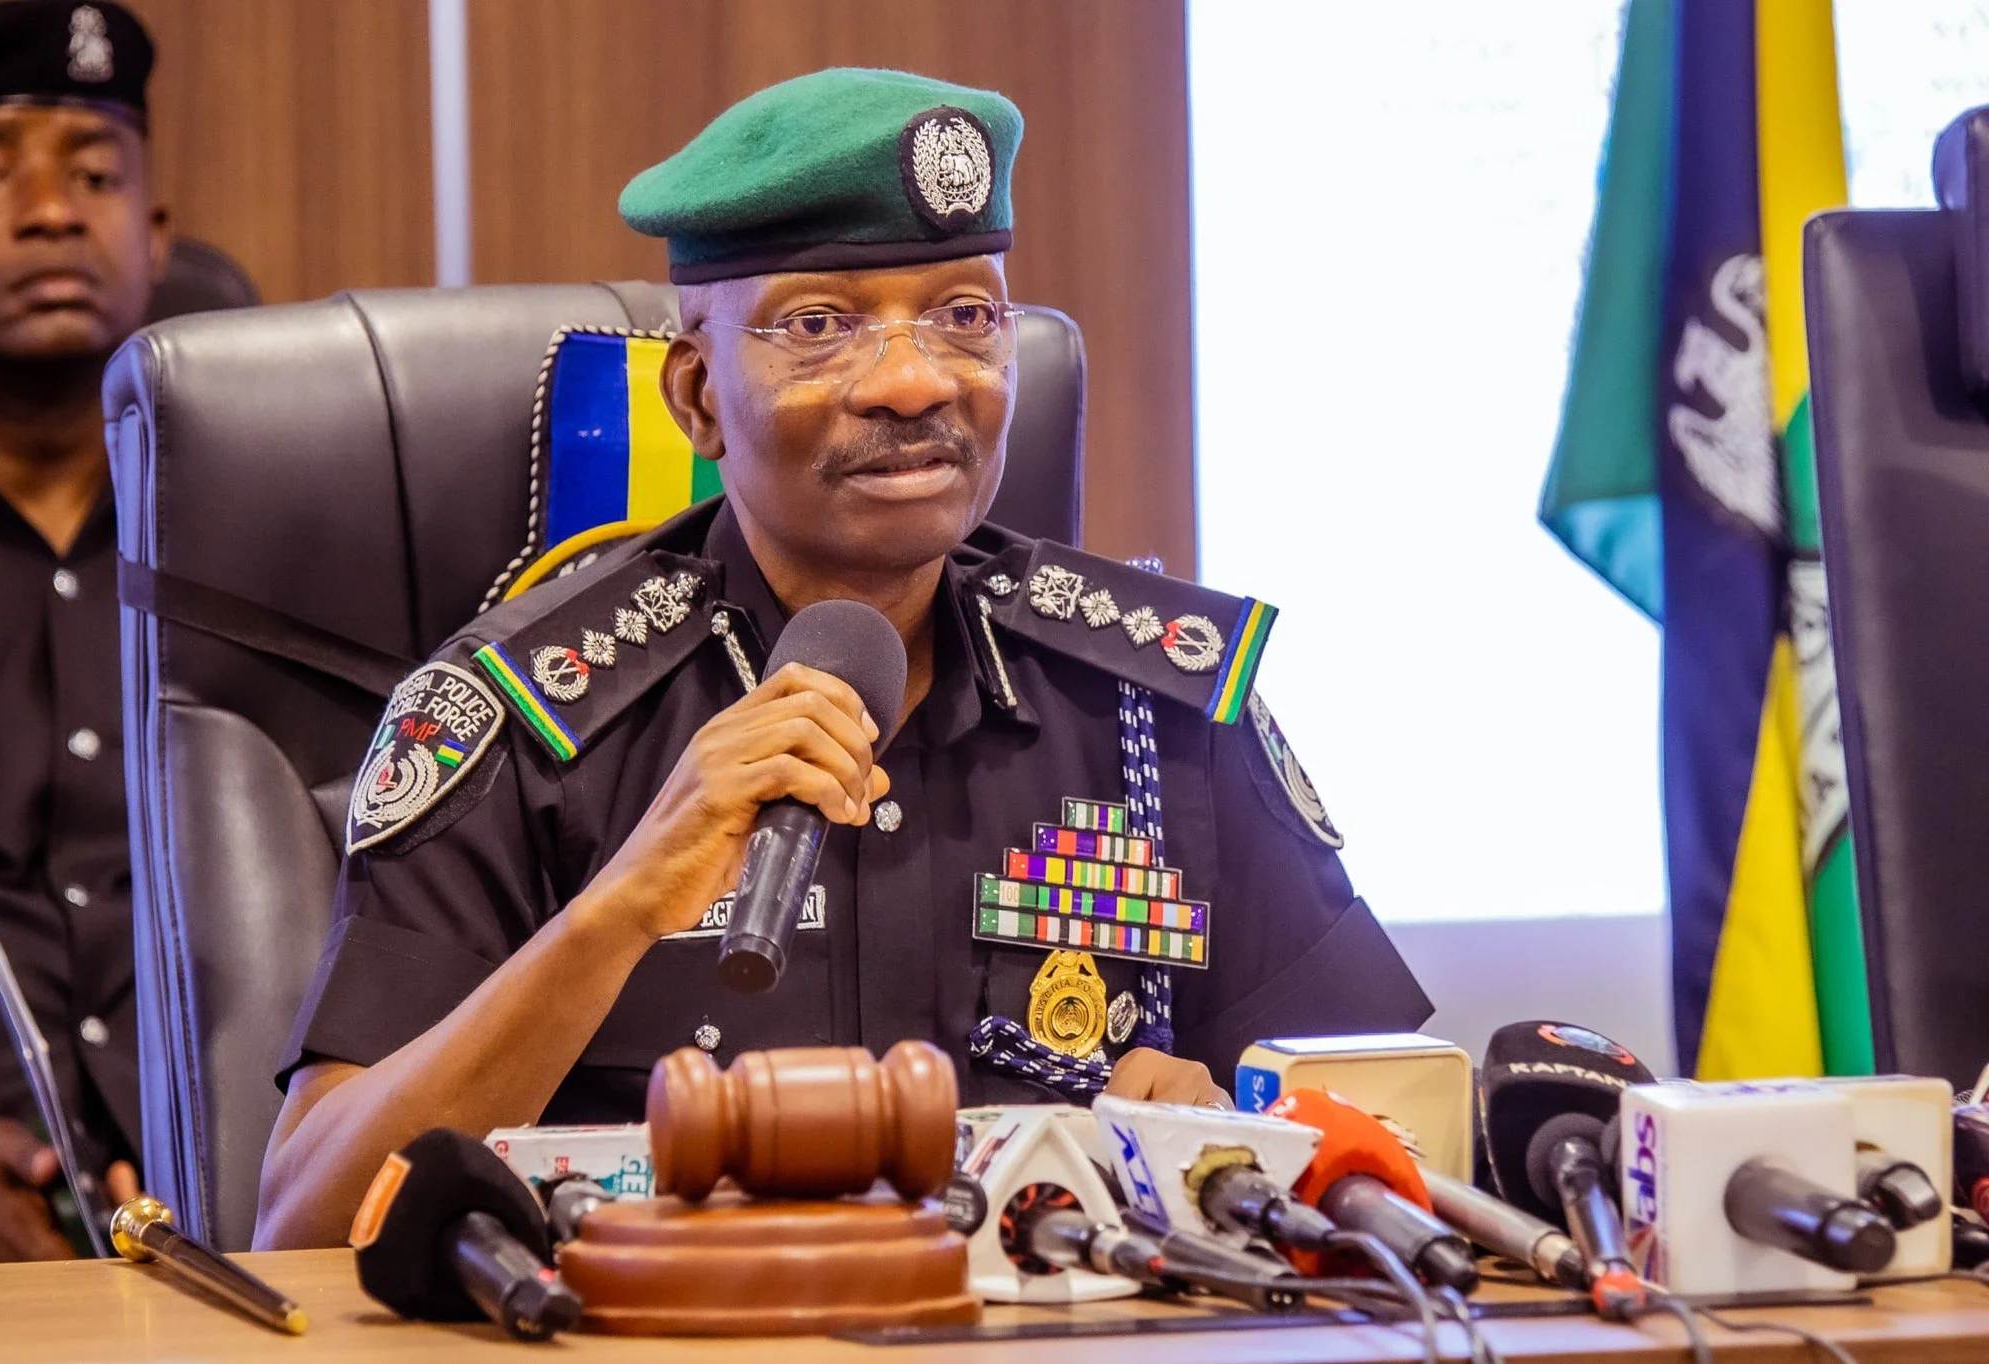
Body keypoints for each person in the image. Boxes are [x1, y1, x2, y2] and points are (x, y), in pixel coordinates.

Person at [254, 67, 1431, 1250]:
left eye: (964, 315)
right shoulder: (521, 719)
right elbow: (307, 1219)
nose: (914, 380)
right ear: (698, 396)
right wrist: (616, 911)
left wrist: (1234, 1131)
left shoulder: (1155, 703)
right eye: (818, 324)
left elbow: (1395, 1152)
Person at [0, 0, 167, 1262]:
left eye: (94, 175)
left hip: (232, 1209)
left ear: (156, 234)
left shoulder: (261, 528)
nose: (49, 213)